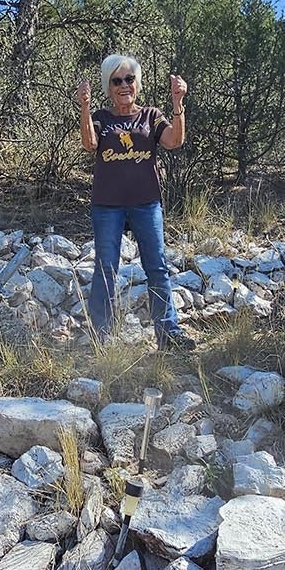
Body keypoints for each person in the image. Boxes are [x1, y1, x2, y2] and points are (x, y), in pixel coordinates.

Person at [74, 54, 196, 352]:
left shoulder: (151, 115)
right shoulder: (102, 118)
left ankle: (168, 334)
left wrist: (178, 103)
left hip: (146, 203)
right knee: (106, 269)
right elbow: (90, 144)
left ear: (137, 83)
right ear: (108, 86)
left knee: (156, 267)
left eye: (130, 79)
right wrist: (85, 107)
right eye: (117, 81)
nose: (124, 85)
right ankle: (100, 337)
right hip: (108, 205)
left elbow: (173, 141)